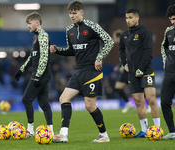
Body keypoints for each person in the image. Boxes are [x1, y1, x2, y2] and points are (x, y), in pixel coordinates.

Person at [50, 1, 114, 143]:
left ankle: (104, 135)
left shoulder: (92, 26)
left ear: (81, 12)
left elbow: (109, 41)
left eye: (75, 13)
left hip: (92, 71)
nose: (72, 16)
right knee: (63, 98)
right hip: (78, 71)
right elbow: (72, 50)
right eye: (70, 13)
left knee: (89, 105)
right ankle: (63, 134)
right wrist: (57, 50)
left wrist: (99, 57)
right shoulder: (69, 30)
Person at [118, 9, 160, 137]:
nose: (128, 20)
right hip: (132, 72)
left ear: (137, 18)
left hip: (146, 70)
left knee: (151, 99)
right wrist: (124, 63)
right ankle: (144, 130)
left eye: (130, 18)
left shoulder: (145, 32)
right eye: (126, 18)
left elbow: (148, 51)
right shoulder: (124, 35)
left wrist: (141, 68)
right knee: (138, 101)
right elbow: (121, 50)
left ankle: (156, 129)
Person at [14, 12, 54, 137]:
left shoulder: (42, 36)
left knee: (26, 99)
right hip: (43, 74)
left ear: (37, 23)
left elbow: (44, 57)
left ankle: (30, 130)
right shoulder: (36, 37)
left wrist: (37, 76)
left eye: (29, 23)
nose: (28, 26)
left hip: (40, 74)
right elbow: (33, 57)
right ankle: (50, 131)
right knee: (44, 104)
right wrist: (21, 70)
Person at [161, 4, 175, 140]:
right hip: (170, 72)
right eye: (171, 19)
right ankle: (172, 131)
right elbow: (163, 46)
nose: (172, 22)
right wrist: (165, 60)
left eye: (174, 19)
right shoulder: (168, 30)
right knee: (165, 102)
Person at [112, 29, 134, 113]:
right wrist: (119, 66)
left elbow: (130, 57)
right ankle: (128, 103)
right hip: (125, 71)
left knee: (139, 88)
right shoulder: (121, 46)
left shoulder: (126, 44)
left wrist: (123, 66)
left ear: (118, 37)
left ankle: (149, 104)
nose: (114, 40)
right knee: (118, 87)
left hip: (130, 70)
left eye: (114, 37)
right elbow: (123, 59)